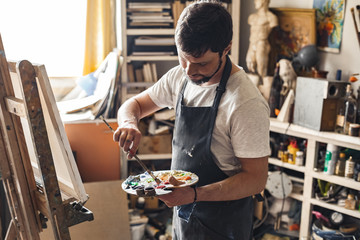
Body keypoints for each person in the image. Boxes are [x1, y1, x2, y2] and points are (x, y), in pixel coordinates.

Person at [114, 1, 270, 239]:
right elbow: (133, 105)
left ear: (226, 48)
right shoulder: (180, 77)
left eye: (202, 63)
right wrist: (128, 124)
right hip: (185, 215)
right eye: (183, 58)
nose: (189, 71)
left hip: (223, 225)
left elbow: (256, 180)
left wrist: (195, 195)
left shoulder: (244, 102)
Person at [246, 0, 278, 79]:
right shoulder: (252, 17)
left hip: (262, 44)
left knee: (262, 68)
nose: (254, 2)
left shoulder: (271, 18)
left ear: (263, 1)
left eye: (257, 0)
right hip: (252, 43)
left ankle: (263, 87)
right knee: (250, 64)